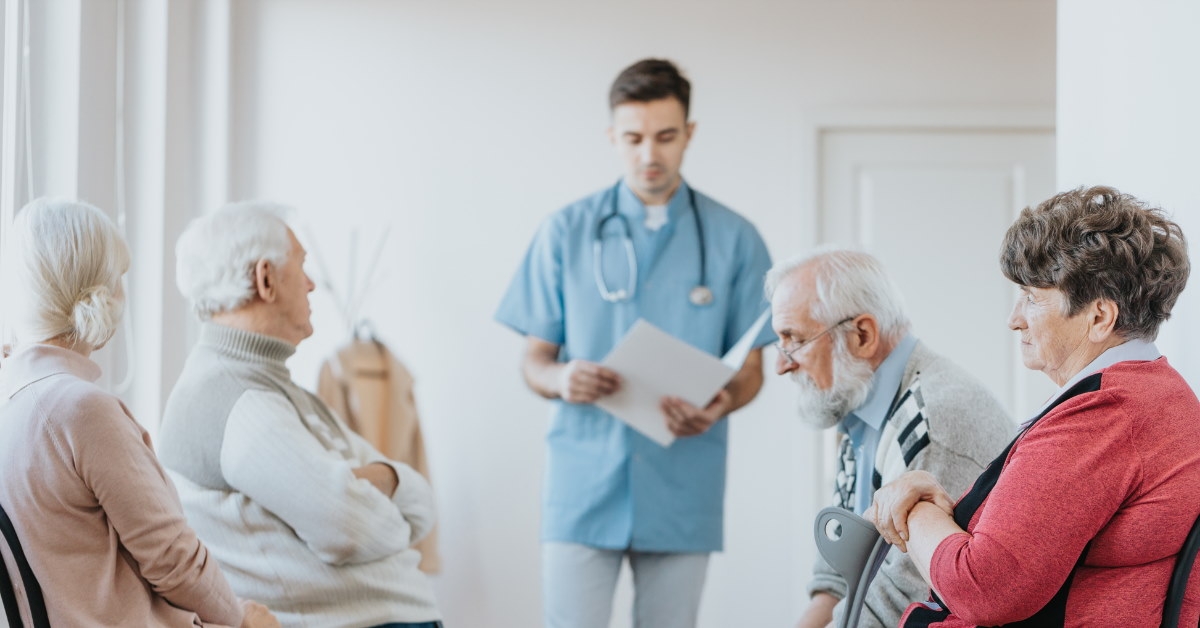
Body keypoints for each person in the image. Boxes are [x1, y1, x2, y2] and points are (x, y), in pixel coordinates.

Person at [495, 58, 775, 628]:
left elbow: (750, 368)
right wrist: (561, 379)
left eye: (666, 137)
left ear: (689, 135)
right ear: (612, 138)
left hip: (682, 485)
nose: (650, 154)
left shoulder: (735, 239)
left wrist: (722, 402)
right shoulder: (565, 232)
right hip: (582, 486)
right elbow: (534, 361)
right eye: (634, 138)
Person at [868, 186, 1200, 627]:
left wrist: (916, 509)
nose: (1015, 318)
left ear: (1099, 318)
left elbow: (984, 588)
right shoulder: (1158, 394)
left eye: (1032, 296)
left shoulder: (1104, 414)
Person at [157, 202, 442, 628]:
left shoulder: (280, 391)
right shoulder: (233, 399)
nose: (311, 284)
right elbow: (350, 529)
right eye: (302, 265)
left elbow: (421, 502)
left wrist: (375, 480)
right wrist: (366, 486)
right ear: (266, 279)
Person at [0, 198, 278, 627]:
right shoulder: (80, 411)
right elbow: (174, 561)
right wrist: (241, 620)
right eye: (119, 279)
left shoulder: (15, 403)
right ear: (98, 291)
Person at [764, 248, 1013, 628]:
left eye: (793, 340)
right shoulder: (861, 401)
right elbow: (838, 572)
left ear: (862, 335)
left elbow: (903, 602)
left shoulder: (933, 423)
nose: (781, 364)